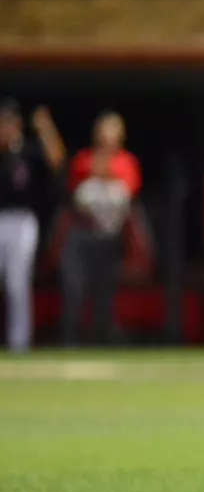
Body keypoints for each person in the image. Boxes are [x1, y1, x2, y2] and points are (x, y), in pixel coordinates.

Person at [61, 111, 142, 346]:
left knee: (104, 293)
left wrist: (104, 171)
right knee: (74, 289)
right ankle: (69, 341)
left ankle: (101, 342)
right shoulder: (84, 159)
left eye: (113, 131)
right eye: (104, 131)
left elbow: (128, 195)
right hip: (82, 235)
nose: (108, 137)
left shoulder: (127, 162)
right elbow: (73, 195)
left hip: (110, 237)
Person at [0, 99, 65, 351]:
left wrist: (45, 127)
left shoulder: (27, 151)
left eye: (6, 122)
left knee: (17, 283)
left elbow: (57, 160)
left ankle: (19, 344)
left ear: (16, 124)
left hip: (22, 220)